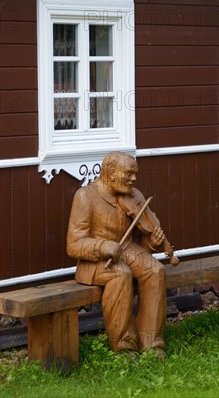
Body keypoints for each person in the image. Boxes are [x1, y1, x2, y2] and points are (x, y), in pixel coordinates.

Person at [67, 151, 167, 357]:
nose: (134, 179)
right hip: (96, 259)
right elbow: (74, 244)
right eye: (129, 174)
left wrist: (153, 243)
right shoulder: (85, 196)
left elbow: (141, 239)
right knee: (121, 274)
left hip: (127, 249)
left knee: (155, 270)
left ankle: (151, 340)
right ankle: (123, 345)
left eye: (135, 174)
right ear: (111, 173)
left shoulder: (133, 195)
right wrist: (102, 247)